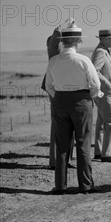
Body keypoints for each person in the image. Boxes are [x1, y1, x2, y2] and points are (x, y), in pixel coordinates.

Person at [45, 23, 103, 194]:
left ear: (62, 41)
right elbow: (95, 84)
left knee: (62, 144)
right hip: (81, 101)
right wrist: (89, 97)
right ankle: (85, 185)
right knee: (83, 143)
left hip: (60, 101)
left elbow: (48, 85)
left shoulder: (54, 60)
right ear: (78, 41)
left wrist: (59, 97)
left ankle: (60, 186)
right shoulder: (84, 60)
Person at [41, 19, 75, 170]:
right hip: (56, 87)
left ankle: (65, 160)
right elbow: (53, 41)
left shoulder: (68, 44)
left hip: (68, 87)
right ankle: (56, 162)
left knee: (70, 124)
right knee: (58, 124)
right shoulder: (55, 43)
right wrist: (59, 30)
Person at [91, 29, 111, 163]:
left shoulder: (104, 51)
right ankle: (107, 153)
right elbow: (94, 71)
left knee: (102, 122)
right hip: (104, 92)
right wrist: (108, 84)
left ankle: (99, 151)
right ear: (103, 39)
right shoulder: (100, 52)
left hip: (104, 92)